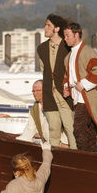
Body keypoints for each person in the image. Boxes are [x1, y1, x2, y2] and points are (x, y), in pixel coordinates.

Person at [63, 21, 97, 152]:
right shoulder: (68, 57)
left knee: (79, 129)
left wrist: (83, 84)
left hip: (87, 99)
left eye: (67, 35)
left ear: (76, 35)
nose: (65, 39)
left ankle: (84, 156)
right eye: (64, 36)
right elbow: (67, 76)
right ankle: (92, 156)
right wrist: (66, 88)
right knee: (89, 131)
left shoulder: (88, 52)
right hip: (77, 98)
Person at [37, 13, 77, 149]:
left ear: (57, 28)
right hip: (49, 93)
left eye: (48, 25)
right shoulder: (41, 48)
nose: (45, 28)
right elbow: (44, 70)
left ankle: (76, 156)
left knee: (70, 128)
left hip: (65, 93)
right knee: (53, 129)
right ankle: (52, 157)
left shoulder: (68, 47)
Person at [17, 79, 68, 147]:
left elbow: (67, 124)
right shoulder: (35, 109)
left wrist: (65, 142)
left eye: (38, 91)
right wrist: (18, 142)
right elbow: (30, 130)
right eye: (33, 91)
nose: (35, 93)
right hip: (47, 144)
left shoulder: (57, 105)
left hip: (61, 144)